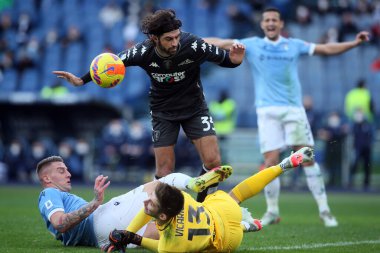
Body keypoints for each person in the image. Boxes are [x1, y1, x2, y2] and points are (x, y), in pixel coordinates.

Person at [52, 9, 245, 202]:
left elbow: (228, 60)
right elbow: (110, 64)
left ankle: (202, 206)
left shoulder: (192, 44)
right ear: (154, 38)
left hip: (195, 109)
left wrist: (235, 60)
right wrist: (81, 81)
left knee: (213, 162)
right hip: (163, 113)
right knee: (165, 171)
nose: (175, 43)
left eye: (177, 37)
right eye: (169, 39)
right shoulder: (142, 51)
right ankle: (157, 214)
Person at [204, 7, 370, 227]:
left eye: (274, 20)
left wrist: (354, 44)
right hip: (266, 111)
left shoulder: (294, 45)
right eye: (267, 20)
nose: (271, 23)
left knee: (307, 157)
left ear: (281, 24)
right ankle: (272, 211)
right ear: (262, 24)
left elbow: (326, 49)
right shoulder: (252, 44)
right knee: (271, 162)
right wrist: (190, 41)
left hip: (293, 109)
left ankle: (325, 210)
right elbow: (221, 42)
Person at [102, 147, 314, 253]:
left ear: (164, 214)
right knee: (236, 195)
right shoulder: (181, 198)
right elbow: (148, 211)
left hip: (227, 241)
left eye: (151, 201)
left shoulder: (170, 246)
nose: (145, 202)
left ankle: (246, 226)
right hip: (219, 214)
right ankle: (284, 164)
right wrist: (128, 234)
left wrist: (133, 237)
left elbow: (155, 246)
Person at [37, 155, 257, 249]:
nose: (68, 174)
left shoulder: (57, 196)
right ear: (47, 179)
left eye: (66, 169)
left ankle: (240, 226)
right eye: (61, 170)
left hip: (103, 235)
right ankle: (194, 183)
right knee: (163, 185)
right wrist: (95, 203)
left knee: (167, 231)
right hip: (101, 219)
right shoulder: (49, 194)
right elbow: (60, 223)